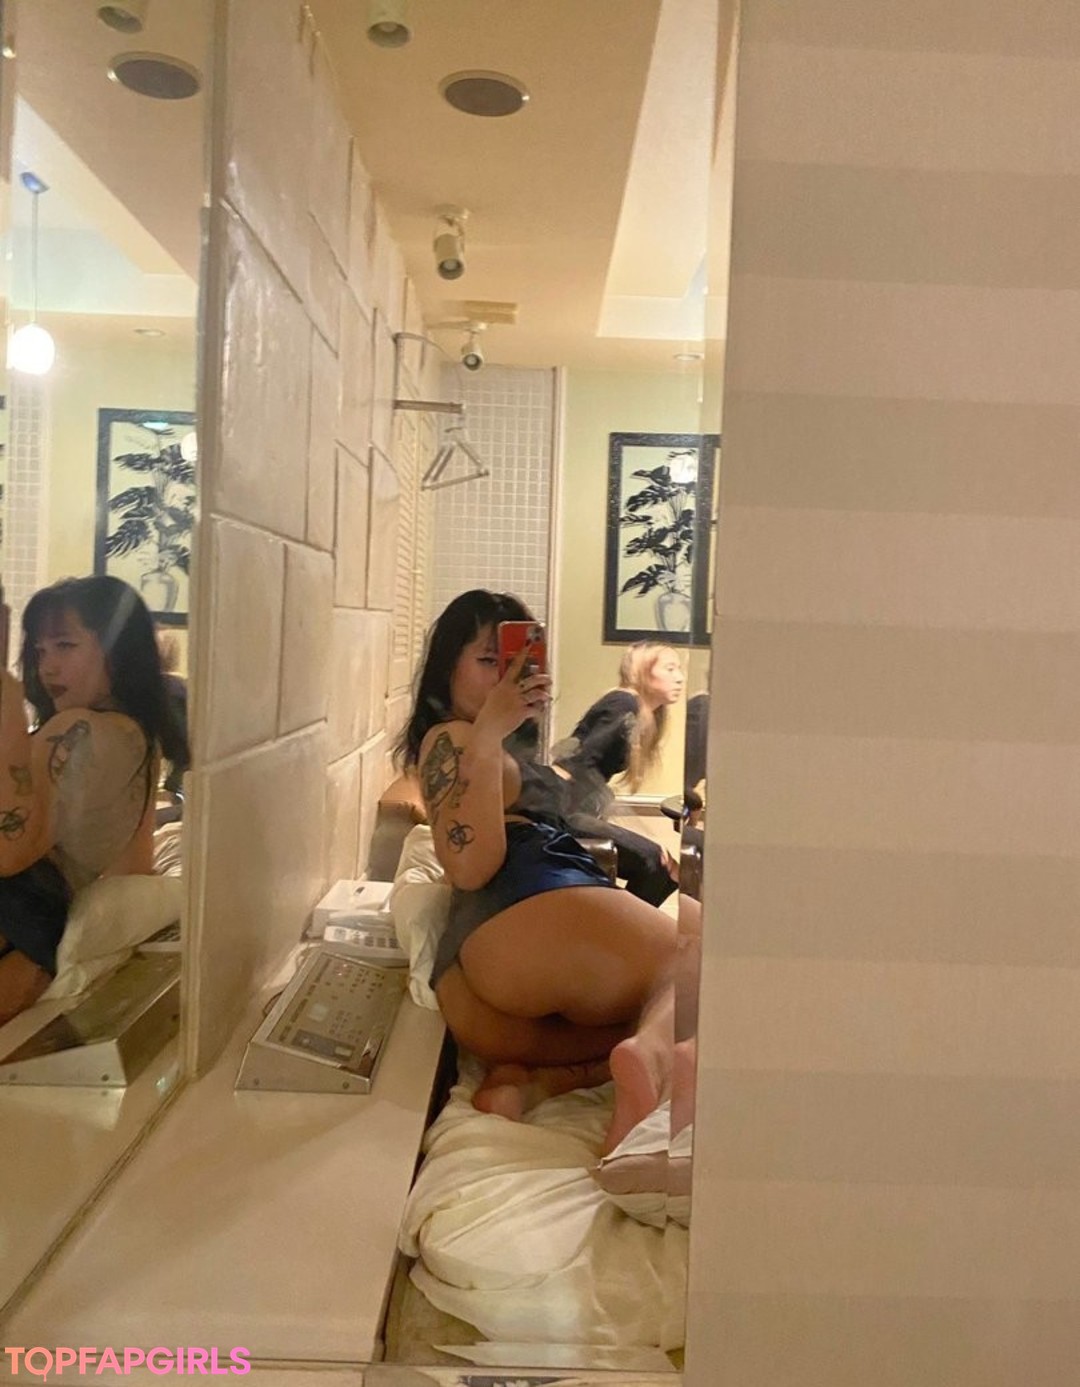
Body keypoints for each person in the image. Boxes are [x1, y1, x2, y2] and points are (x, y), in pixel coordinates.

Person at [396, 590, 680, 1153]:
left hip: (487, 993)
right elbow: (471, 867)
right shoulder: (453, 738)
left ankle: (532, 1084)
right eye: (488, 660)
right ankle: (643, 1088)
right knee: (699, 969)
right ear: (445, 670)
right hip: (522, 905)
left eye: (516, 662)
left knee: (651, 1014)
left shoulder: (480, 743)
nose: (506, 676)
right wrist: (489, 731)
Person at [0, 576, 189, 1024]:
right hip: (38, 939)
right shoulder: (140, 738)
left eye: (65, 646)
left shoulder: (75, 729)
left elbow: (7, 853)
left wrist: (7, 709)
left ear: (118, 650)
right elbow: (136, 864)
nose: (47, 668)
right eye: (40, 651)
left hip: (17, 922)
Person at [553, 642, 685, 905]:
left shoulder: (636, 710)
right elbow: (577, 761)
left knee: (664, 868)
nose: (679, 678)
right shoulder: (624, 703)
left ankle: (625, 925)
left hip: (576, 810)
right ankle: (624, 926)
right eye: (670, 669)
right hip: (566, 812)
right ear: (642, 671)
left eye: (679, 669)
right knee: (656, 863)